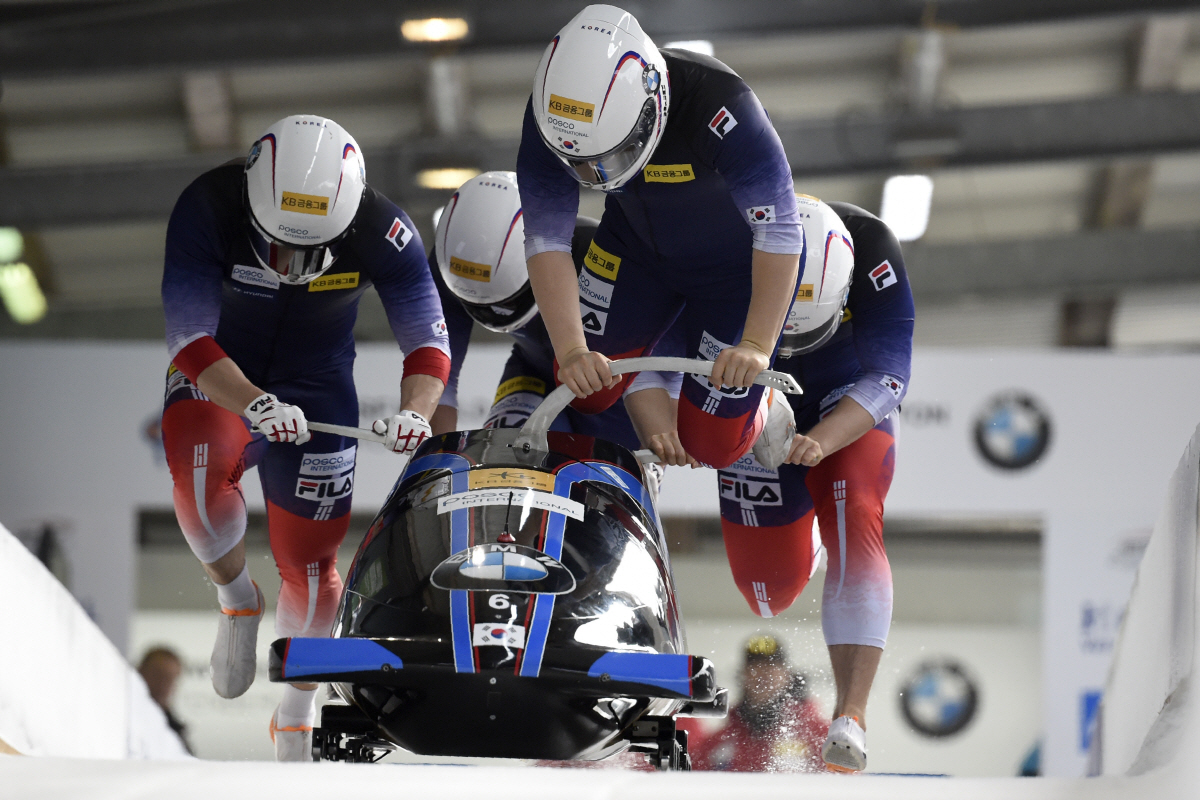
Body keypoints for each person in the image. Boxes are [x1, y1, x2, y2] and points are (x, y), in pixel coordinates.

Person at [160, 115, 450, 761]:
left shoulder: (384, 229)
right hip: (221, 373)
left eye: (309, 254)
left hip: (318, 386)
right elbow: (188, 336)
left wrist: (416, 412)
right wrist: (253, 402)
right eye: (276, 250)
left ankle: (295, 713)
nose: (290, 268)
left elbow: (427, 339)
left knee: (314, 568)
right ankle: (238, 599)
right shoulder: (207, 205)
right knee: (200, 492)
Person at [516, 4, 804, 472]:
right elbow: (546, 239)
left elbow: (780, 230)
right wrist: (571, 350)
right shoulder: (551, 118)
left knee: (712, 448)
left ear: (653, 106)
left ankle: (763, 404)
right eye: (580, 165)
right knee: (584, 389)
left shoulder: (723, 106)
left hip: (734, 275)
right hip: (635, 249)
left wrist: (756, 344)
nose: (595, 175)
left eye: (611, 156)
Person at [716, 196, 914, 772]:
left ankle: (851, 713)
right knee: (767, 593)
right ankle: (806, 532)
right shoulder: (720, 246)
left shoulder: (873, 247)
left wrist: (823, 440)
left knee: (856, 510)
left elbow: (890, 374)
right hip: (755, 394)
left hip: (843, 396)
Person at [428, 170, 695, 468]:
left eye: (508, 302)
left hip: (613, 388)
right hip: (533, 369)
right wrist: (436, 462)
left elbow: (639, 357)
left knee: (600, 484)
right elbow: (443, 373)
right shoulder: (450, 265)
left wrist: (659, 432)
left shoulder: (602, 259)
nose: (496, 312)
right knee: (507, 465)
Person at [687, 634, 828, 772]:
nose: (763, 674)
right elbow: (691, 775)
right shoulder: (724, 740)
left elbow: (837, 781)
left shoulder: (819, 736)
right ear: (743, 675)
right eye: (755, 666)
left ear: (787, 675)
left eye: (772, 666)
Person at [137, 646, 193, 755]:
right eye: (157, 675)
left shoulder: (176, 733)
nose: (162, 685)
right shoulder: (122, 713)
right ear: (140, 672)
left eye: (169, 679)